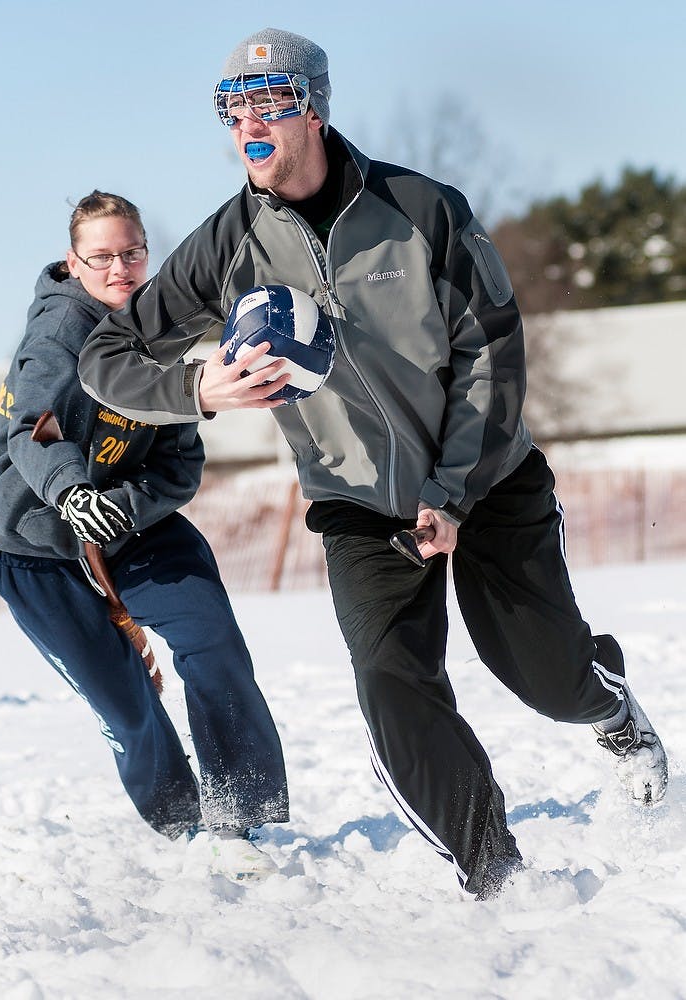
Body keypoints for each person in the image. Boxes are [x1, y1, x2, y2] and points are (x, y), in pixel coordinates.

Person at [77, 32, 668, 898]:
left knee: (543, 677)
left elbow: (493, 353)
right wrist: (200, 386)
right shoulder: (228, 241)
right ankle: (496, 874)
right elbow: (108, 356)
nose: (250, 123)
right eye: (233, 107)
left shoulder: (424, 208)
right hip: (357, 506)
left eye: (269, 102)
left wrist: (452, 492)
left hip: (488, 483)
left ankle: (613, 714)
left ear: (313, 107)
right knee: (394, 687)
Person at [0, 190, 288, 878]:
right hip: (38, 548)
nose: (120, 269)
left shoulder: (162, 330)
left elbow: (180, 465)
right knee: (125, 706)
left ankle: (236, 815)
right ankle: (180, 818)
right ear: (74, 262)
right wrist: (72, 492)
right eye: (102, 257)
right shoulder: (58, 336)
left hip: (131, 527)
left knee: (211, 637)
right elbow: (30, 431)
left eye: (132, 252)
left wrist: (119, 504)